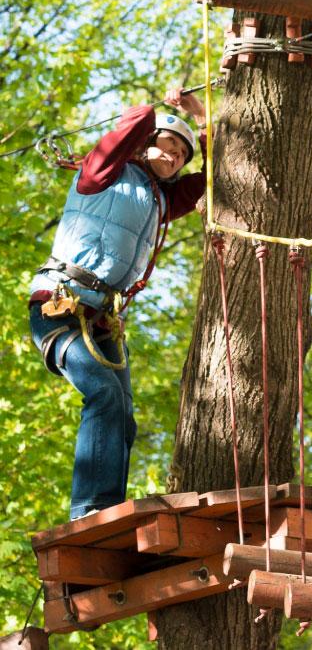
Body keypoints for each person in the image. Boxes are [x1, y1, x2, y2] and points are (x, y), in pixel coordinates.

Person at [28, 88, 208, 521]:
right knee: (105, 395)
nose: (175, 158)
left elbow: (217, 175)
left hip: (103, 319)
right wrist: (159, 110)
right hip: (60, 304)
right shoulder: (101, 172)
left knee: (123, 416)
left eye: (182, 155)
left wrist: (201, 119)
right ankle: (91, 509)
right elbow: (139, 119)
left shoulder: (162, 202)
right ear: (147, 144)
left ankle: (108, 506)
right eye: (169, 146)